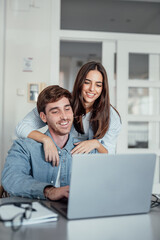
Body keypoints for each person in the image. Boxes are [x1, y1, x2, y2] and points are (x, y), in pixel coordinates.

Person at [16, 61, 121, 166]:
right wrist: (46, 140)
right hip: (59, 163)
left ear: (103, 88)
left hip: (91, 168)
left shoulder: (112, 116)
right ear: (80, 82)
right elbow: (21, 127)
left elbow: (109, 156)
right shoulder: (62, 102)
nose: (92, 89)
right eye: (87, 82)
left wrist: (96, 144)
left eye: (98, 85)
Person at [1, 85, 75, 200]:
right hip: (35, 212)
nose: (64, 116)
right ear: (43, 117)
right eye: (55, 111)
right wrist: (49, 191)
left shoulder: (84, 149)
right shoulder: (24, 147)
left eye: (67, 109)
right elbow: (11, 178)